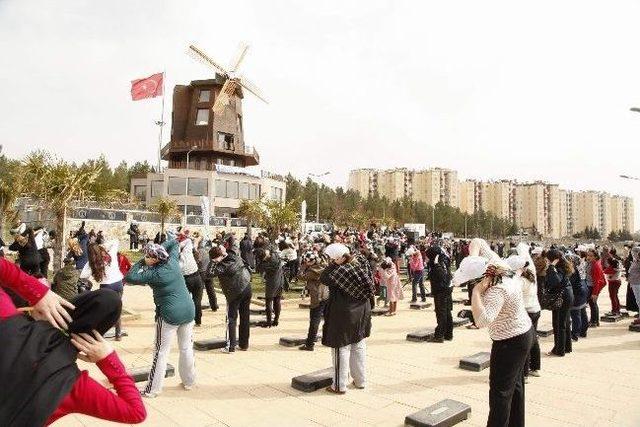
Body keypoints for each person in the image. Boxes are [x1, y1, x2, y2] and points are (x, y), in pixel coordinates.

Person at [0, 257, 146, 425]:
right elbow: (135, 412)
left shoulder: (7, 318)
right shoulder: (73, 386)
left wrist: (39, 293)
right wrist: (107, 358)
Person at [454, 255, 533, 427]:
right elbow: (479, 243)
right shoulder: (506, 275)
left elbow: (482, 321)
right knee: (515, 387)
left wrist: (476, 292)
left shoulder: (496, 290)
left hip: (509, 341)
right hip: (522, 334)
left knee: (500, 394)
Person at [125, 239, 196, 397]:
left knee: (161, 352)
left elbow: (130, 277)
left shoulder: (153, 274)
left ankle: (152, 389)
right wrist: (159, 251)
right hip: (189, 310)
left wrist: (143, 261)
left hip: (170, 315)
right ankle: (189, 381)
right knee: (186, 348)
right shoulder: (172, 261)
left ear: (154, 258)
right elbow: (175, 243)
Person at [320, 243, 374, 395]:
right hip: (362, 311)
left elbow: (324, 277)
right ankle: (360, 381)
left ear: (340, 258)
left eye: (333, 258)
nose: (331, 261)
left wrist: (333, 264)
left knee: (340, 348)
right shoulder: (361, 263)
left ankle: (339, 385)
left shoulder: (339, 272)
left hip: (343, 313)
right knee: (358, 345)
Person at [208, 239, 252, 353]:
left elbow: (209, 274)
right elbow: (233, 246)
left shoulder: (222, 266)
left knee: (231, 319)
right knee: (245, 317)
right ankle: (244, 344)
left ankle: (230, 346)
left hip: (235, 292)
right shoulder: (234, 256)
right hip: (246, 286)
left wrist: (213, 261)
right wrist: (224, 251)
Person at [507, 248, 541, 379]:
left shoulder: (520, 281)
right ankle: (535, 367)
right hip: (535, 309)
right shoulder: (531, 275)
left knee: (525, 343)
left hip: (527, 312)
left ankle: (525, 373)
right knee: (533, 339)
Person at [81, 240, 125, 340]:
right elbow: (115, 242)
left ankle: (101, 334)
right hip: (118, 284)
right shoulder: (110, 255)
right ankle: (118, 334)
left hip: (106, 287)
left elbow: (83, 276)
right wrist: (104, 245)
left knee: (105, 311)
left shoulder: (91, 263)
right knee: (117, 309)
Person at [545, 249, 574, 357]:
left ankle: (559, 350)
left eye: (548, 259)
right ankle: (566, 347)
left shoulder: (558, 268)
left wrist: (552, 267)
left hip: (562, 297)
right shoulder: (563, 266)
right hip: (566, 295)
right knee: (564, 322)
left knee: (559, 323)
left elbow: (556, 281)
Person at [299, 250, 329, 351]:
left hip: (317, 298)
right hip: (326, 295)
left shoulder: (313, 271)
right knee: (327, 319)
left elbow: (300, 276)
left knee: (314, 321)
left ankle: (310, 344)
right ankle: (326, 339)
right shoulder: (324, 265)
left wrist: (302, 267)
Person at [426, 246, 453, 342]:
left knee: (441, 313)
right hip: (445, 290)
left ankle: (439, 335)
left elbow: (443, 276)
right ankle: (448, 334)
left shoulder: (440, 262)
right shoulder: (443, 260)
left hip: (442, 290)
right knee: (446, 313)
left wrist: (436, 264)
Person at [179, 232, 204, 327]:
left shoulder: (176, 257)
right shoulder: (188, 248)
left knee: (185, 300)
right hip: (196, 277)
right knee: (197, 300)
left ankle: (185, 320)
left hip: (185, 279)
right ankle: (198, 321)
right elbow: (193, 239)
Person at [259, 246, 284, 327]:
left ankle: (269, 321)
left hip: (271, 283)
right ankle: (276, 320)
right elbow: (272, 249)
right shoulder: (276, 257)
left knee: (269, 301)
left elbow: (261, 268)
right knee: (277, 300)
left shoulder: (266, 264)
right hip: (280, 281)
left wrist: (264, 259)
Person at [195, 238, 219, 312]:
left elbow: (197, 262)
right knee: (211, 290)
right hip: (208, 271)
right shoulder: (207, 251)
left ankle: (197, 307)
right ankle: (214, 306)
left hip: (201, 272)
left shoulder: (198, 252)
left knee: (199, 291)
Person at [569, 252, 588, 340]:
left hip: (577, 293)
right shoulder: (579, 268)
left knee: (576, 314)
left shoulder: (572, 271)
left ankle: (575, 334)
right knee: (582, 312)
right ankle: (583, 331)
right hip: (583, 290)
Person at [585, 249, 606, 327]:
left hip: (592, 287)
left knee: (593, 303)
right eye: (588, 255)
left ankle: (594, 321)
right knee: (592, 304)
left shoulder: (595, 265)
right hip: (590, 286)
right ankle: (594, 320)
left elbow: (596, 281)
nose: (588, 257)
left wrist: (595, 293)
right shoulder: (591, 263)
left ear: (595, 256)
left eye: (591, 256)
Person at [604, 249, 623, 316]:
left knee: (613, 296)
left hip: (613, 282)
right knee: (615, 296)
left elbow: (607, 272)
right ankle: (617, 309)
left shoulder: (612, 266)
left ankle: (615, 310)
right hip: (617, 281)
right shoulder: (617, 261)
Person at [627, 247, 640, 325]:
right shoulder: (635, 261)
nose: (633, 254)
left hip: (638, 283)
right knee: (638, 301)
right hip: (634, 283)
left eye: (634, 252)